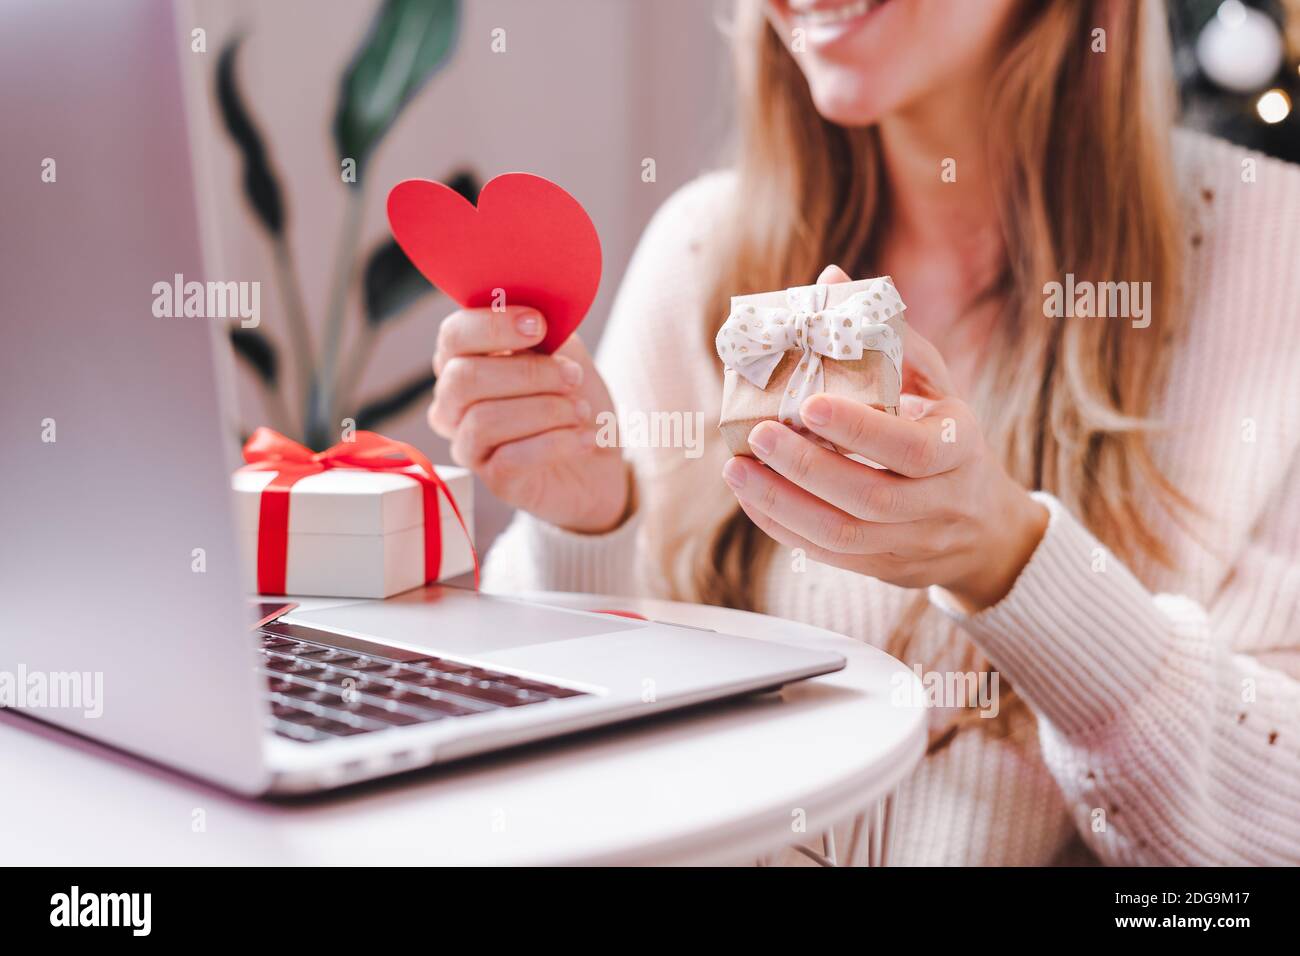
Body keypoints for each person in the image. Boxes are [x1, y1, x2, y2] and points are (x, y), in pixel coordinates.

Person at [426, 0, 1300, 864]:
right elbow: (549, 793)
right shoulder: (699, 250)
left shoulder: (1276, 256)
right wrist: (584, 533)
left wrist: (1012, 562)